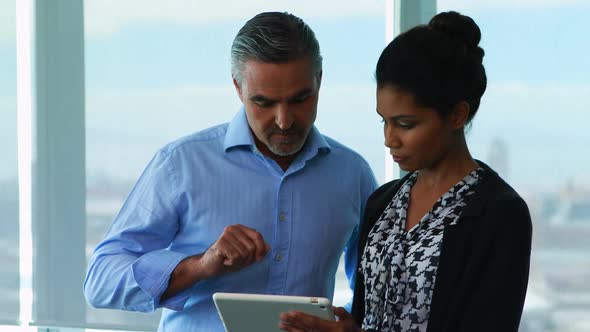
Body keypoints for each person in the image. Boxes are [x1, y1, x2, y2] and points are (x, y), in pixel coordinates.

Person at [83, 11, 377, 331]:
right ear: (238, 88)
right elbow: (100, 281)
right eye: (264, 102)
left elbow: (374, 291)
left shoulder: (353, 174)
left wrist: (348, 326)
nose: (284, 120)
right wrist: (199, 266)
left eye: (300, 99)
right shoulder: (181, 164)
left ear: (319, 80)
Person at [280, 11, 532, 332]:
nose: (389, 139)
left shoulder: (499, 214)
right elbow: (364, 317)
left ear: (457, 115)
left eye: (405, 124)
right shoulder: (382, 203)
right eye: (383, 121)